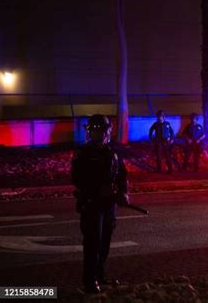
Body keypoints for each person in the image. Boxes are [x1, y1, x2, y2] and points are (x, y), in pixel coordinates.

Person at [71, 114, 129, 293]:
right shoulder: (83, 153)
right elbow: (77, 178)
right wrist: (97, 190)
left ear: (108, 131)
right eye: (95, 130)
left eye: (102, 130)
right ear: (90, 132)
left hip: (108, 204)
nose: (99, 134)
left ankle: (99, 275)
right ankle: (90, 281)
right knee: (92, 243)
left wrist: (124, 193)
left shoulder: (112, 152)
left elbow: (122, 175)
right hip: (91, 204)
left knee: (105, 242)